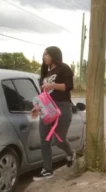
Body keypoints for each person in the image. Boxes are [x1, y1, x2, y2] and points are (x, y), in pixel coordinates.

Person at [32, 46, 75, 181]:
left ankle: (70, 153)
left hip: (62, 106)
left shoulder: (64, 68)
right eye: (43, 54)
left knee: (58, 139)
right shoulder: (45, 72)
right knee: (44, 139)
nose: (44, 57)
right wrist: (37, 107)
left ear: (54, 55)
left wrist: (53, 86)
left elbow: (68, 86)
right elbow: (43, 94)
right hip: (47, 108)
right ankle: (47, 170)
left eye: (46, 54)